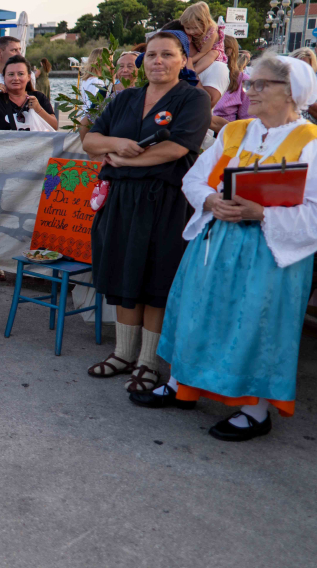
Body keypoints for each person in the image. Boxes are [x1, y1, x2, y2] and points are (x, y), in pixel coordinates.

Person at [130, 55, 317, 442]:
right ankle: (182, 386)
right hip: (215, 242)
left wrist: (261, 213)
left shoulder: (311, 144)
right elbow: (196, 178)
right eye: (250, 83)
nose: (251, 91)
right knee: (195, 313)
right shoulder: (236, 132)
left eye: (262, 85)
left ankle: (255, 410)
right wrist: (212, 202)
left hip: (270, 253)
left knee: (254, 325)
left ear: (291, 93)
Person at [81, 30, 211, 392]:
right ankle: (123, 354)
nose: (158, 61)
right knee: (123, 274)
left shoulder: (193, 99)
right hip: (121, 200)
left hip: (164, 201)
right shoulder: (126, 98)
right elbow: (90, 140)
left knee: (154, 279)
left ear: (183, 60)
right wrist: (118, 144)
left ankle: (148, 362)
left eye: (167, 55)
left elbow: (177, 148)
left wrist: (123, 163)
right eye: (152, 55)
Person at [0, 55, 57, 131]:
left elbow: (54, 126)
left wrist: (38, 109)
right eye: (11, 74)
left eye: (20, 74)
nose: (15, 78)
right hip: (2, 151)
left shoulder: (39, 97)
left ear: (29, 77)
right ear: (4, 77)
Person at [210, 39, 249, 132]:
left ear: (228, 52)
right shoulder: (198, 74)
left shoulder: (242, 79)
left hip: (226, 137)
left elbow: (248, 118)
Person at [180, 1, 226, 74]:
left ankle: (194, 73)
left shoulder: (211, 33)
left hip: (211, 54)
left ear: (205, 23)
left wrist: (189, 60)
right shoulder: (191, 34)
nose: (191, 32)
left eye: (195, 28)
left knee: (213, 53)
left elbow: (204, 52)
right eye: (188, 28)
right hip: (199, 54)